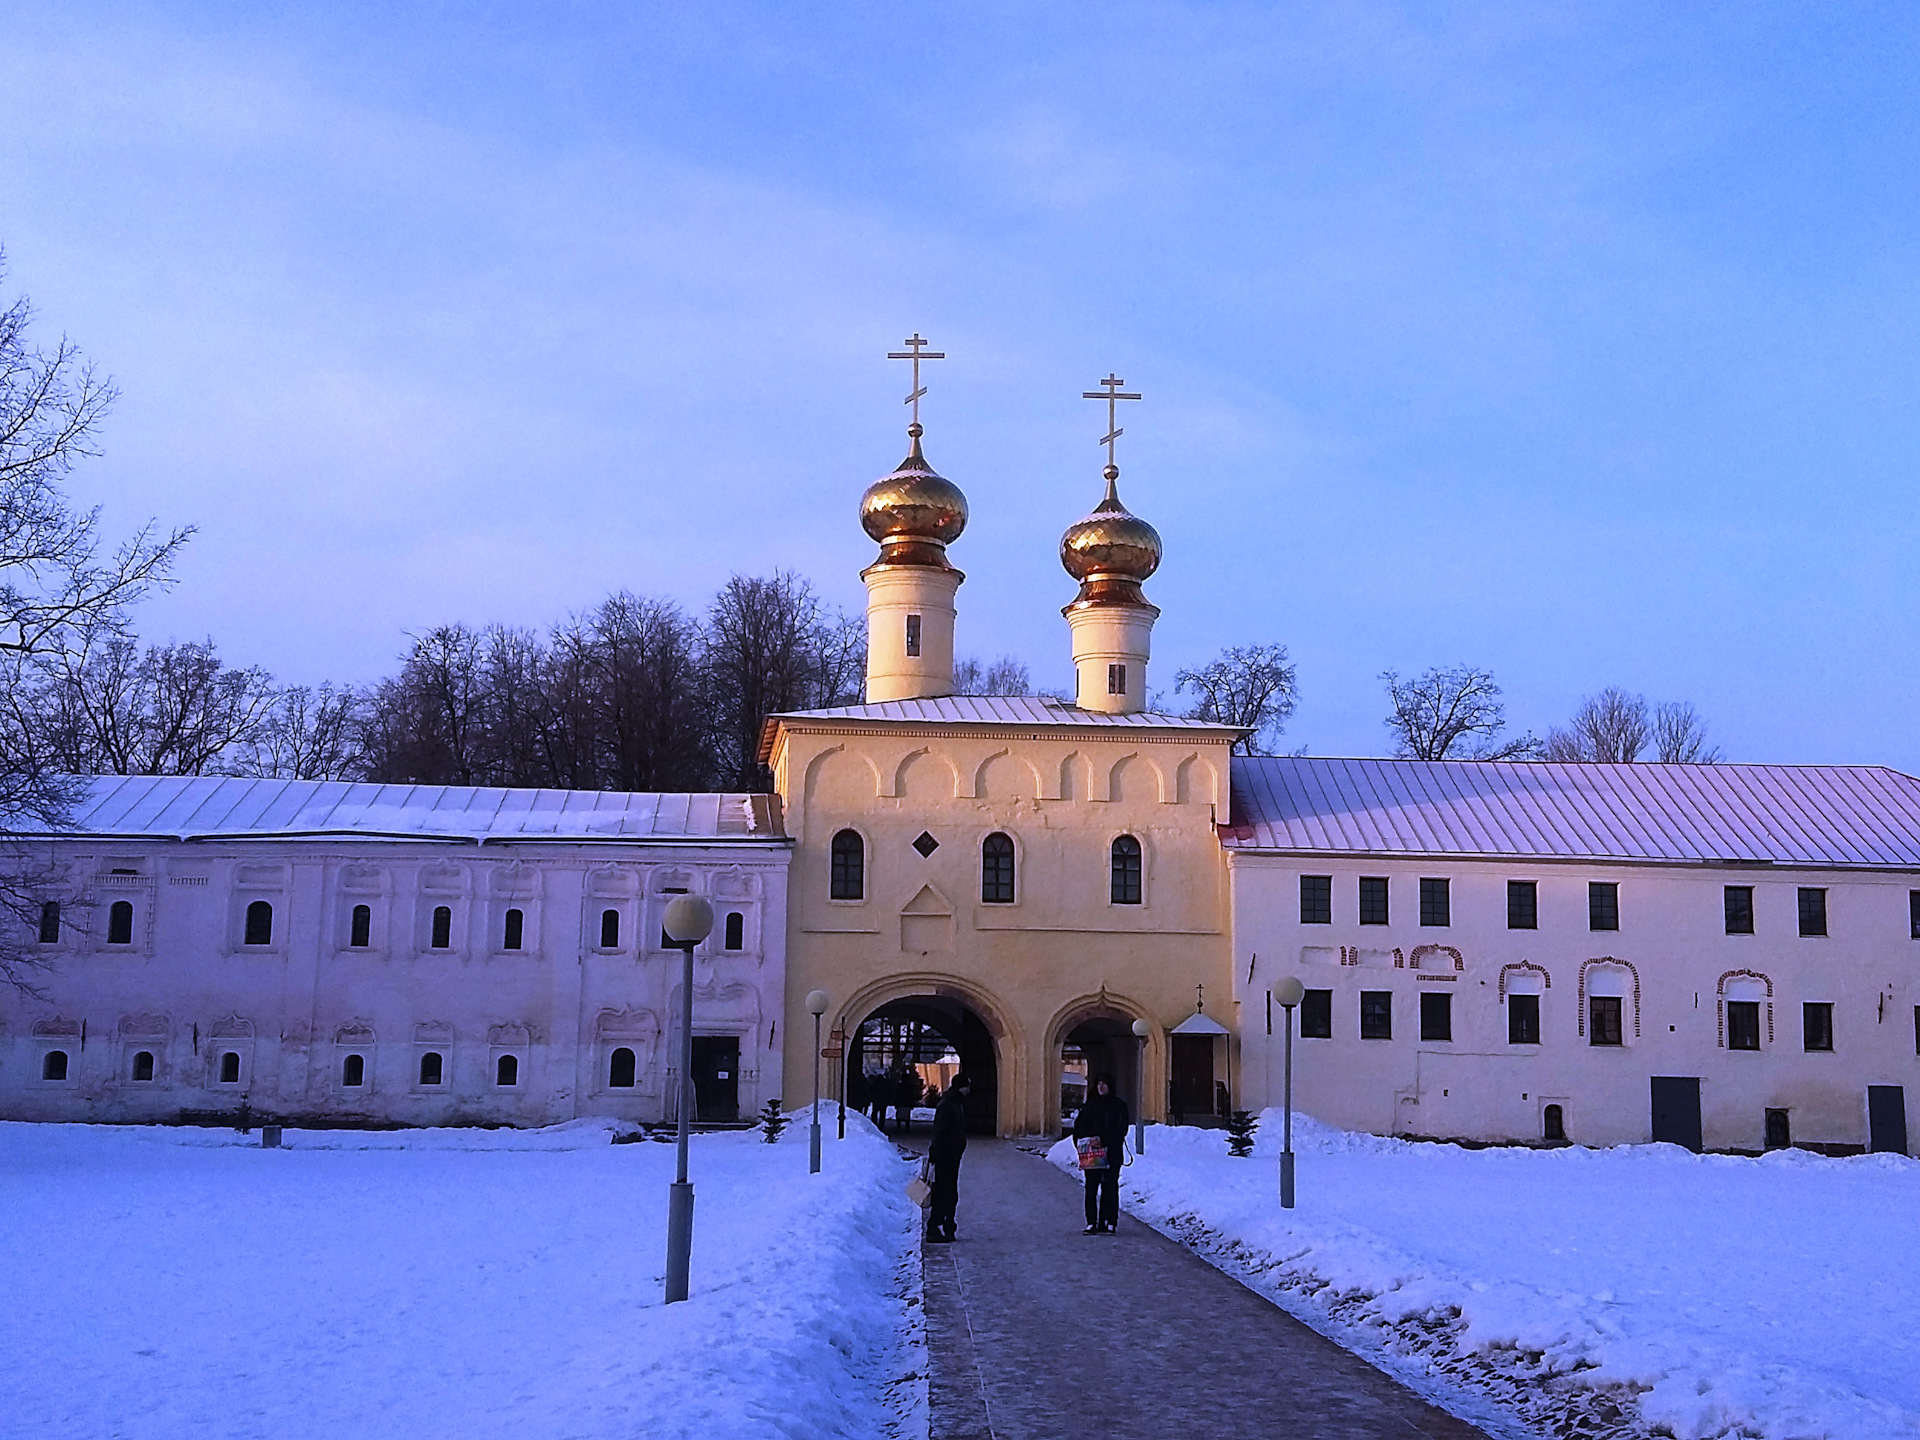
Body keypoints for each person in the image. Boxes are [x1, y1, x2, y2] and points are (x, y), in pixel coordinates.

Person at [1071, 1073, 1130, 1234]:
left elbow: (1121, 1129)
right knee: (1091, 1188)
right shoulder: (1090, 1106)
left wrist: (1103, 1139)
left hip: (1112, 1153)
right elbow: (1079, 1128)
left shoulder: (1118, 1106)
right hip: (1092, 1154)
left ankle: (1109, 1221)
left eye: (1104, 1083)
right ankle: (1092, 1222)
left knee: (1110, 1187)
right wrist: (1084, 1142)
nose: (1101, 1087)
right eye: (1099, 1083)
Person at [925, 1073, 971, 1243]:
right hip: (945, 1155)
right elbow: (939, 1130)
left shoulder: (956, 1103)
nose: (969, 1090)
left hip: (952, 1155)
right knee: (944, 1192)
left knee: (949, 1192)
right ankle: (935, 1226)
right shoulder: (948, 1104)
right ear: (962, 1087)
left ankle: (948, 1226)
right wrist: (935, 1152)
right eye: (967, 1086)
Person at [895, 1066, 923, 1135]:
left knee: (899, 1116)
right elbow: (912, 1095)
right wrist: (912, 1103)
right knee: (906, 1116)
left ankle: (899, 1127)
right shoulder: (910, 1086)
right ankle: (906, 1128)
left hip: (901, 1102)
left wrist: (896, 1103)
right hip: (906, 1103)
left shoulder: (900, 1086)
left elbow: (897, 1094)